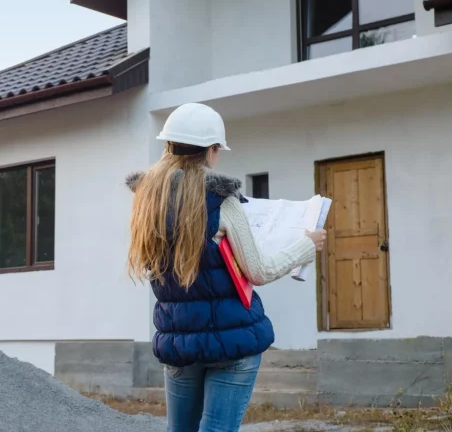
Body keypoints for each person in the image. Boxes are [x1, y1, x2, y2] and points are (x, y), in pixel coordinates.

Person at [126, 103, 326, 432]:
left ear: (168, 145)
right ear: (212, 150)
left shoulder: (148, 200)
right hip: (232, 342)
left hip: (179, 342)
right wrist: (307, 244)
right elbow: (258, 271)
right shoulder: (221, 199)